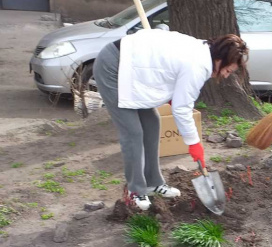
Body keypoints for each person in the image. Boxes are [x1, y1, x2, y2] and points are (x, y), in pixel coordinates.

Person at [93, 29, 248, 210]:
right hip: (113, 66)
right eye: (228, 70)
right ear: (219, 60)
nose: (226, 75)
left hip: (134, 70)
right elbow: (182, 109)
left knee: (152, 122)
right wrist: (194, 143)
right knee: (133, 132)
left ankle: (153, 183)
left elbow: (167, 72)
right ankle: (135, 191)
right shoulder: (198, 65)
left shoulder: (202, 52)